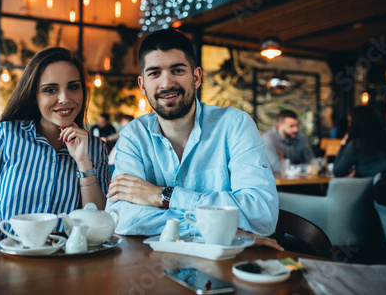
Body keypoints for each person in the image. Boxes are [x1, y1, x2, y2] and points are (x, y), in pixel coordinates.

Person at [106, 29, 280, 249]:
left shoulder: (234, 125)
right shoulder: (133, 136)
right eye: (154, 73)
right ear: (142, 85)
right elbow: (120, 218)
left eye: (177, 70)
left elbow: (261, 214)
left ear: (196, 77)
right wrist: (224, 229)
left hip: (227, 268)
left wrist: (162, 196)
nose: (166, 83)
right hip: (155, 268)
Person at [0, 47, 109, 246]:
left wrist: (83, 162)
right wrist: (0, 268)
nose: (65, 98)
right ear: (33, 95)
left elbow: (97, 229)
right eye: (50, 89)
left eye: (73, 87)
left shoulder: (95, 148)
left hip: (59, 267)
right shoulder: (5, 135)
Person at [333, 106, 386, 178]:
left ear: (356, 123)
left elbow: (338, 171)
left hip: (372, 188)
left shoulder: (356, 145)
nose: (348, 124)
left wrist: (343, 144)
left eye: (349, 121)